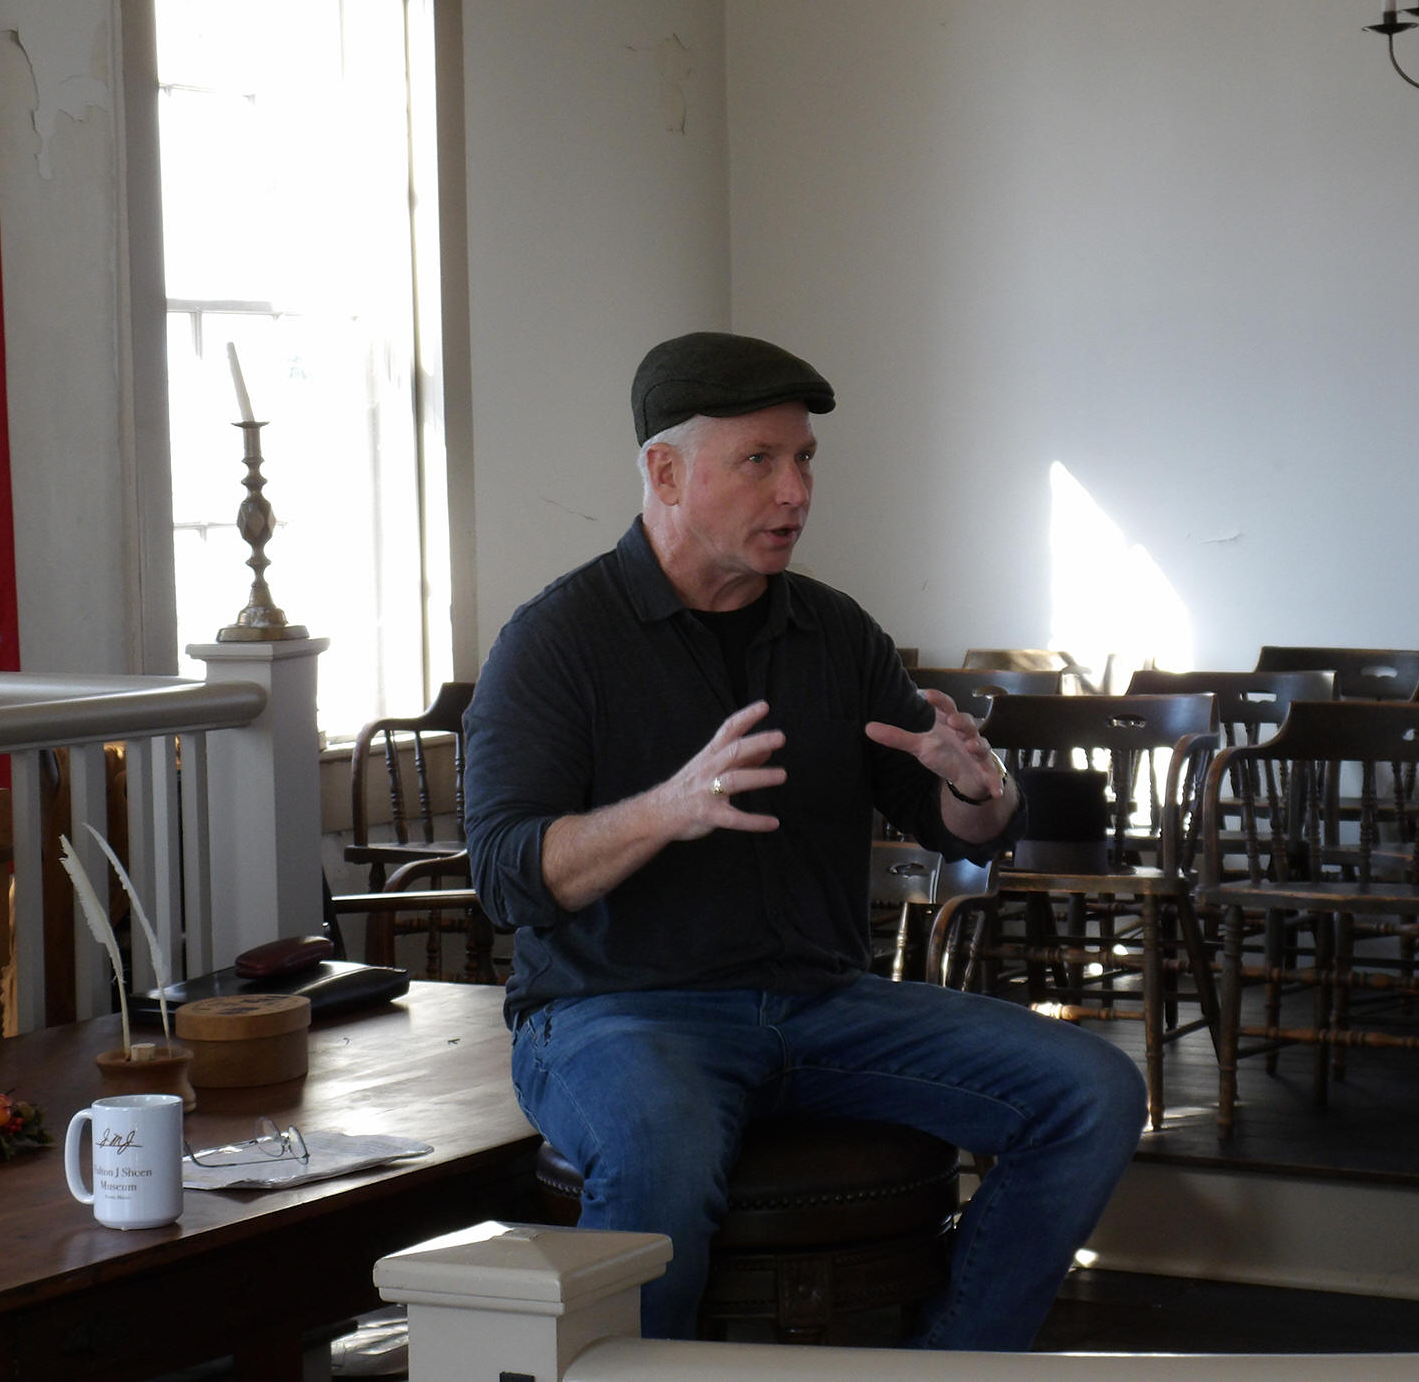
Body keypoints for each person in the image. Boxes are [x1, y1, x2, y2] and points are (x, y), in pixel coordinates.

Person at [460, 331, 1147, 1350]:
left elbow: (954, 824)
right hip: (617, 1012)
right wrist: (666, 809)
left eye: (805, 460)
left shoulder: (837, 632)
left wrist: (978, 787)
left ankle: (948, 1371)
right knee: (658, 1151)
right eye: (759, 461)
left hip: (824, 1005)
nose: (795, 493)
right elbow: (506, 876)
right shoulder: (555, 641)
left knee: (1094, 1091)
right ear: (665, 472)